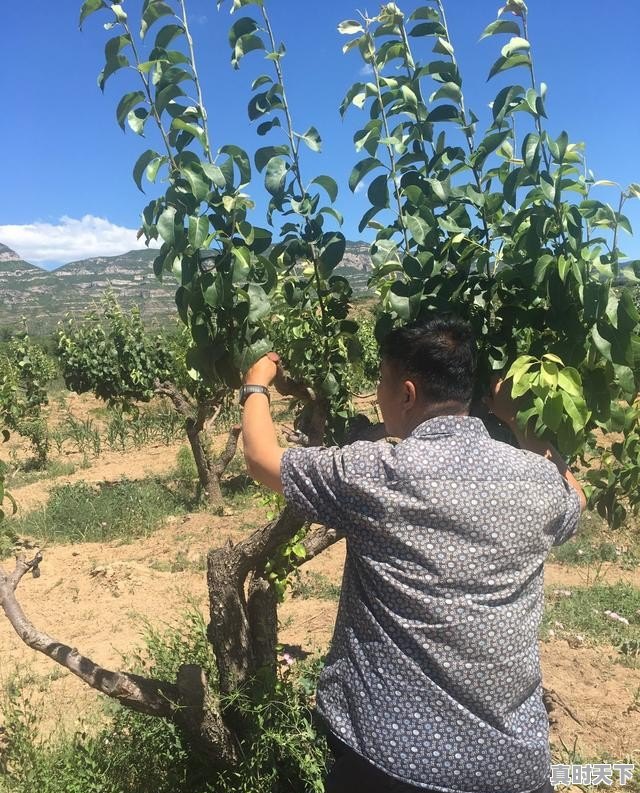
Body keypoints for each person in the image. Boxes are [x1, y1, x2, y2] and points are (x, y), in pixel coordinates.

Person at [239, 316, 585, 793]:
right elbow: (576, 497)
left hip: (389, 760)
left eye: (381, 383)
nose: (378, 397)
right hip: (514, 767)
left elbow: (261, 458)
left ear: (405, 393)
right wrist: (515, 417)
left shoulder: (377, 472)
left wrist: (255, 386)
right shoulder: (536, 481)